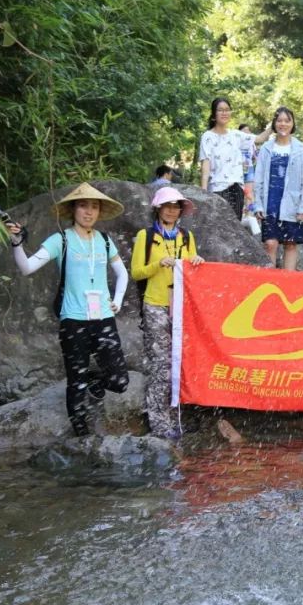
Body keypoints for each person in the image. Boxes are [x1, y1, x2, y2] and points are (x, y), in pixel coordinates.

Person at [6, 183, 130, 437]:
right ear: (73, 209)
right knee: (76, 380)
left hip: (104, 317)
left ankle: (95, 380)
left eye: (94, 206)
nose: (89, 211)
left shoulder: (105, 241)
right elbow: (27, 268)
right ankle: (81, 434)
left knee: (120, 381)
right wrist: (17, 243)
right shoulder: (60, 240)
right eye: (83, 205)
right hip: (73, 320)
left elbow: (122, 273)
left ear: (99, 211)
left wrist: (117, 300)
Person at [130, 187, 205, 439]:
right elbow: (137, 272)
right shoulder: (146, 236)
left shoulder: (186, 237)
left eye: (176, 206)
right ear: (158, 208)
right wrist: (157, 264)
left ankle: (176, 417)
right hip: (155, 304)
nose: (172, 211)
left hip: (181, 307)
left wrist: (197, 262)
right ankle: (158, 422)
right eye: (168, 206)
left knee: (179, 362)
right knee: (161, 363)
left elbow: (192, 269)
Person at [254, 106, 303, 270]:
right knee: (270, 243)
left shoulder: (301, 149)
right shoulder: (266, 148)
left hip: (293, 203)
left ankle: (288, 282)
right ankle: (269, 282)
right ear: (274, 123)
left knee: (290, 243)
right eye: (279, 120)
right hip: (270, 202)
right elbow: (258, 178)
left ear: (292, 124)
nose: (283, 124)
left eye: (287, 121)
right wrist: (258, 204)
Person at [199, 97, 248, 220]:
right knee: (218, 226)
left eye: (227, 110)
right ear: (214, 114)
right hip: (217, 189)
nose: (224, 113)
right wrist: (204, 192)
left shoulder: (236, 135)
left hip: (237, 189)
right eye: (220, 110)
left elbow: (259, 139)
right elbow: (205, 165)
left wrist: (274, 125)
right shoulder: (207, 136)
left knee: (235, 227)